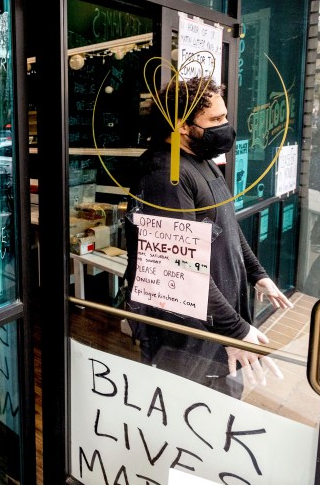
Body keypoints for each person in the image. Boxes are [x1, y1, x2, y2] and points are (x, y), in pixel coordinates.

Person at [125, 76, 292, 398]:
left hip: (216, 314)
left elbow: (226, 225)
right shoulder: (165, 174)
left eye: (225, 117)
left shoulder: (201, 161)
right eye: (216, 119)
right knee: (187, 410)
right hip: (186, 330)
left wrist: (258, 275)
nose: (225, 126)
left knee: (222, 408)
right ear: (182, 125)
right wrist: (235, 331)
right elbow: (178, 266)